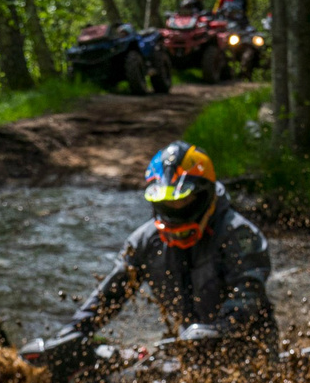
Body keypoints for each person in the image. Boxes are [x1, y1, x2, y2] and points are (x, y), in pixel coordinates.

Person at [64, 142, 276, 354]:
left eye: (182, 200)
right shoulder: (144, 242)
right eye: (167, 202)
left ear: (204, 194)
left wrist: (220, 330)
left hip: (248, 348)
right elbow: (110, 294)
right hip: (190, 349)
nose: (175, 209)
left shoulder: (239, 235)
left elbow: (248, 294)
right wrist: (73, 332)